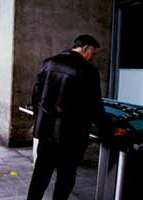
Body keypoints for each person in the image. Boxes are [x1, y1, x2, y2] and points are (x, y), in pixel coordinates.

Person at [27, 34, 110, 200]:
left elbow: (36, 95)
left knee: (41, 173)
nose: (93, 57)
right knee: (65, 176)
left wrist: (40, 119)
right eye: (93, 53)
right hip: (71, 135)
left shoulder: (49, 62)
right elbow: (95, 106)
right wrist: (108, 130)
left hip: (46, 131)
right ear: (86, 48)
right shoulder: (88, 70)